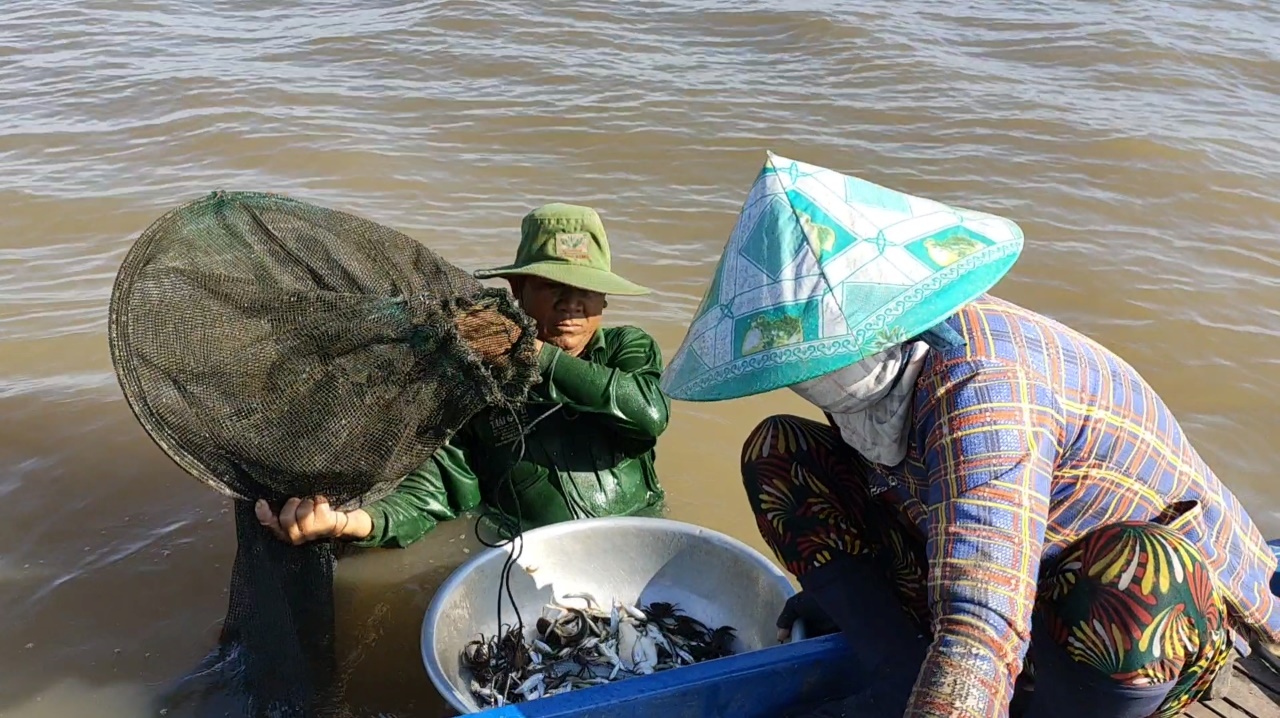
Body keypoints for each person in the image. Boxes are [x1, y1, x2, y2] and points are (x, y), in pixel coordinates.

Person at [659, 152, 1280, 718]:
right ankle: (898, 677)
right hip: (990, 569)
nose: (801, 376)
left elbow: (982, 620)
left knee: (1139, 572)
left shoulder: (984, 388)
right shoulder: (877, 382)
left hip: (1125, 629)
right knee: (778, 454)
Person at [256, 202, 670, 548]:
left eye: (587, 289)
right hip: (534, 553)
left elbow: (649, 412)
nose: (572, 304)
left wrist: (536, 355)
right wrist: (349, 524)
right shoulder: (475, 382)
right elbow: (436, 493)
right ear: (518, 291)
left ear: (605, 300)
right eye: (552, 285)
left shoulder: (625, 348)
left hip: (641, 535)